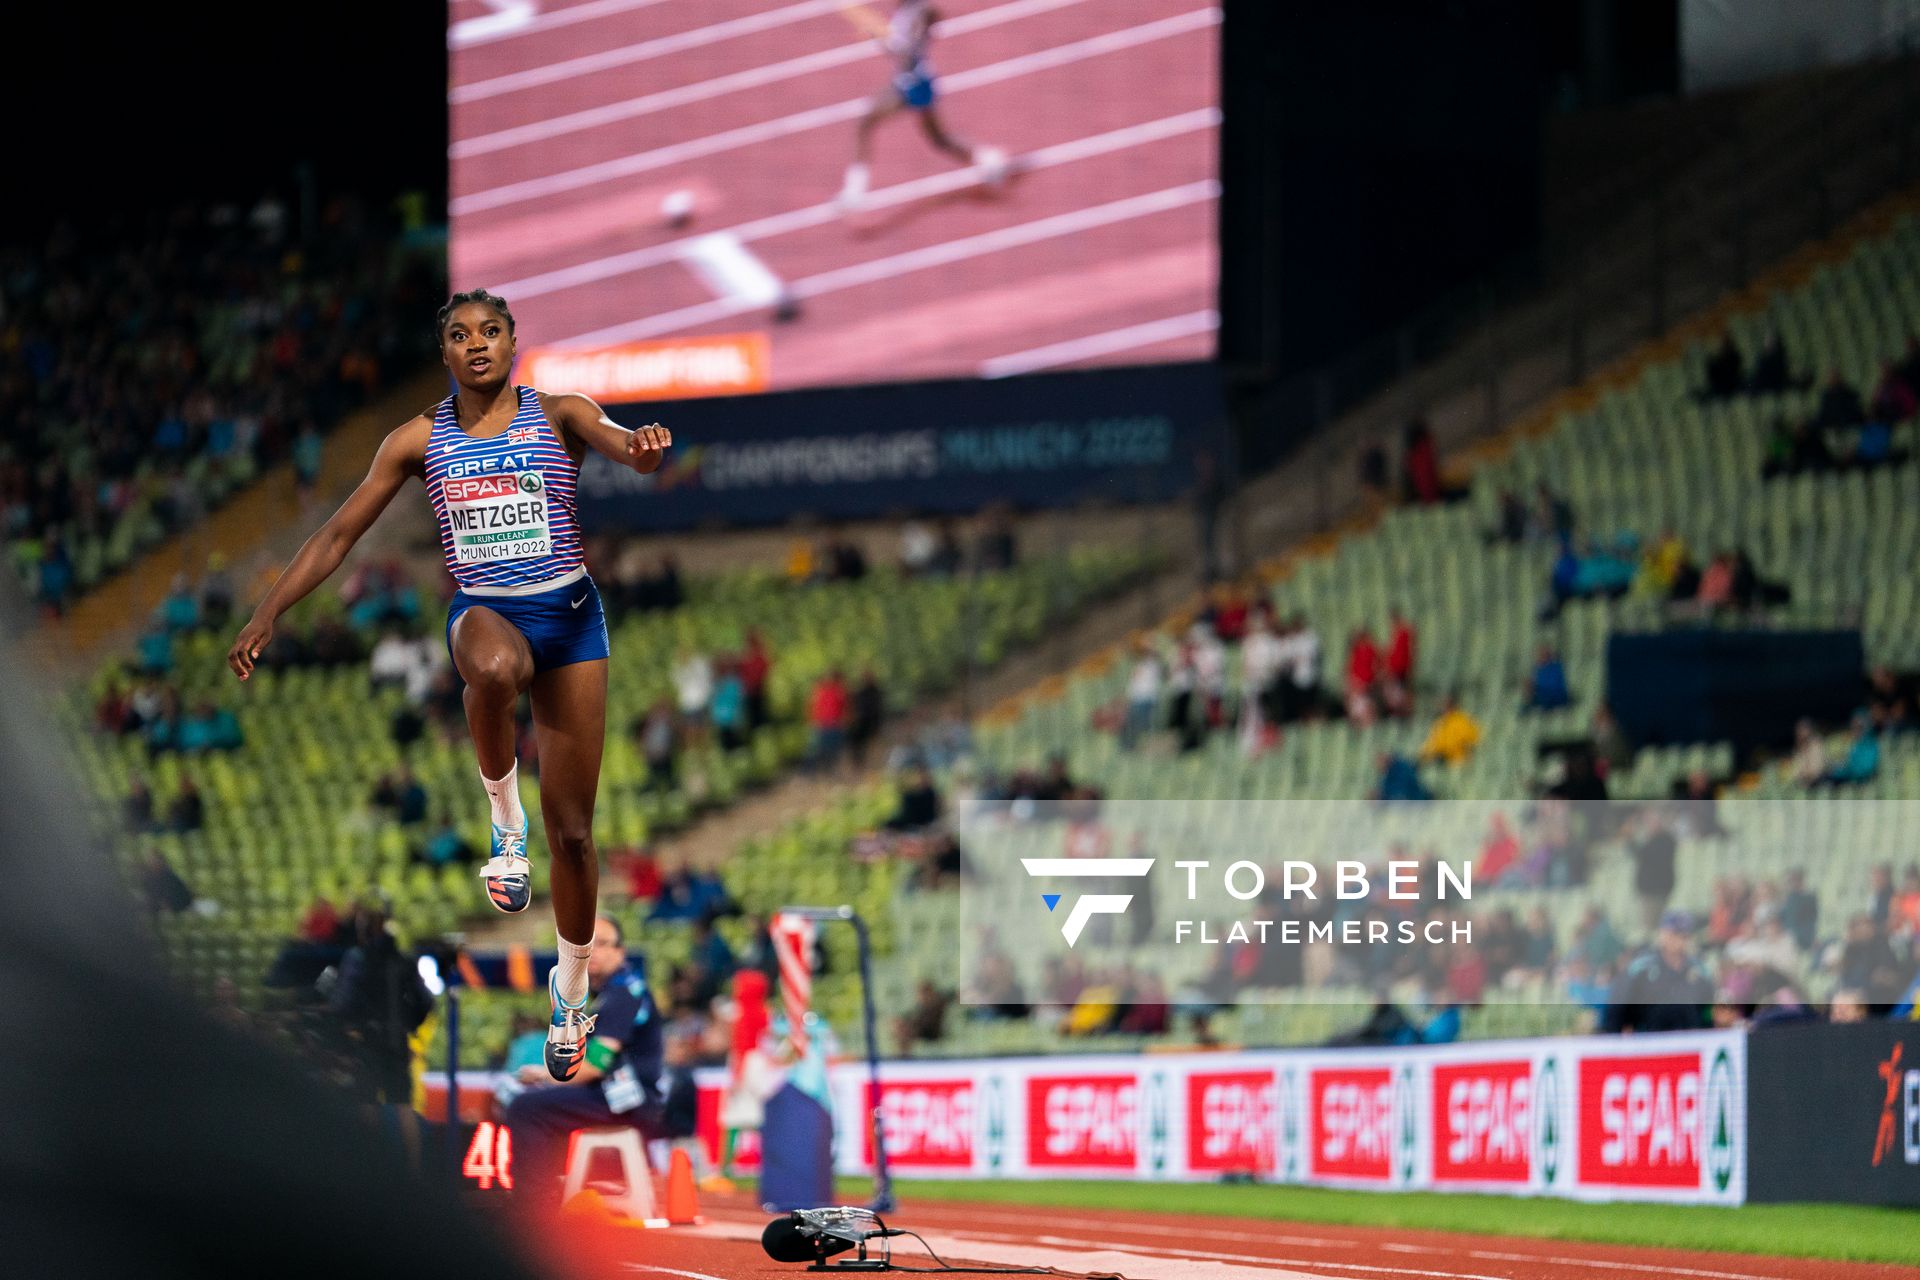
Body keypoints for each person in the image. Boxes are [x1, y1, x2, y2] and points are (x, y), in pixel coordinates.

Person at [228, 290, 672, 1082]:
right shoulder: (418, 439)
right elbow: (337, 535)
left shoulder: (561, 413)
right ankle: (506, 826)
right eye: (460, 335)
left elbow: (619, 442)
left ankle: (570, 992)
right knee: (495, 669)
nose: (477, 345)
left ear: (511, 342)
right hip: (485, 615)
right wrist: (269, 611)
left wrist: (640, 451)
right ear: (445, 354)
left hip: (572, 621)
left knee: (574, 833)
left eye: (490, 332)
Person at [500, 914, 666, 1199]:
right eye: (588, 946)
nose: (594, 953)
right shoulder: (613, 992)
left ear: (620, 952)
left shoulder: (624, 993)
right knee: (541, 1103)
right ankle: (553, 1194)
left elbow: (594, 1066)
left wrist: (546, 1075)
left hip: (627, 1100)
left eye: (603, 944)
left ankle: (532, 1207)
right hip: (619, 1096)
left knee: (524, 1108)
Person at [836, 0, 1006, 213]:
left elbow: (907, 50)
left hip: (914, 84)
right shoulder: (907, 11)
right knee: (939, 139)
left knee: (866, 123)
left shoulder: (920, 12)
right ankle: (988, 159)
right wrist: (879, 36)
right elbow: (900, 48)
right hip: (911, 81)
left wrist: (880, 35)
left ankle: (855, 192)